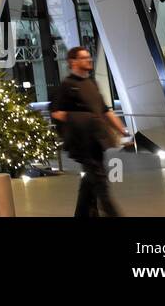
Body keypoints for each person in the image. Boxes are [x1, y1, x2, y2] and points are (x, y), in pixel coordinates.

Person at [50, 47, 127, 217]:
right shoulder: (67, 86)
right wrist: (80, 119)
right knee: (100, 182)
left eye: (88, 57)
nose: (88, 60)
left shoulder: (92, 83)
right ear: (73, 62)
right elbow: (56, 112)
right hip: (82, 142)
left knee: (90, 181)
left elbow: (104, 109)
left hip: (96, 140)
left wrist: (121, 128)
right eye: (84, 58)